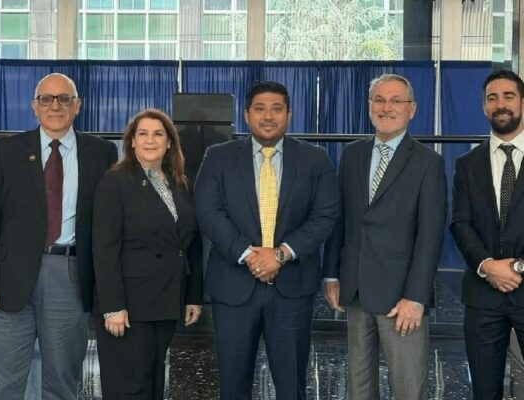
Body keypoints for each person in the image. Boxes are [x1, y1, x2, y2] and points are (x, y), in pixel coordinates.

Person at [0, 73, 117, 399]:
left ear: (77, 106)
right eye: (46, 99)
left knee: (62, 378)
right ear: (34, 106)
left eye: (64, 99)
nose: (55, 106)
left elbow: (109, 223)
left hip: (70, 275)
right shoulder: (5, 150)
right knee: (2, 378)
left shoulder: (101, 153)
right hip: (8, 278)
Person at [195, 81, 340, 399]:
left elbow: (326, 214)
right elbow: (208, 211)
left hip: (292, 290)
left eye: (277, 109)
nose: (268, 116)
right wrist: (248, 254)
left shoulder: (315, 158)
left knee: (291, 386)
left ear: (289, 114)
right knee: (233, 386)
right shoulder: (218, 157)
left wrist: (281, 254)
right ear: (246, 115)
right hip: (233, 288)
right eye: (260, 109)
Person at [324, 73, 447, 399]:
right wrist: (332, 274)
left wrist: (416, 297)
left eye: (396, 101)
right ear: (369, 106)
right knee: (358, 388)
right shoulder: (352, 155)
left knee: (408, 387)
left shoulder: (428, 163)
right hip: (356, 289)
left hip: (401, 297)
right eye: (379, 100)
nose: (386, 107)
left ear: (412, 109)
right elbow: (341, 220)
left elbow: (430, 236)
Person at [92, 108, 203, 400]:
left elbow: (191, 243)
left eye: (158, 134)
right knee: (130, 387)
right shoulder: (115, 182)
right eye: (143, 134)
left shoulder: (179, 182)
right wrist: (113, 306)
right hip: (129, 305)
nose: (150, 140)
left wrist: (192, 295)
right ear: (131, 141)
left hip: (167, 299)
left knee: (153, 384)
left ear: (169, 142)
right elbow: (104, 248)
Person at [450, 69, 524, 400]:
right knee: (484, 391)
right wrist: (487, 265)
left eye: (508, 96)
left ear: (522, 103)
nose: (500, 104)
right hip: (482, 298)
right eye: (492, 98)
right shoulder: (467, 163)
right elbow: (460, 223)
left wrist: (517, 267)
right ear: (483, 106)